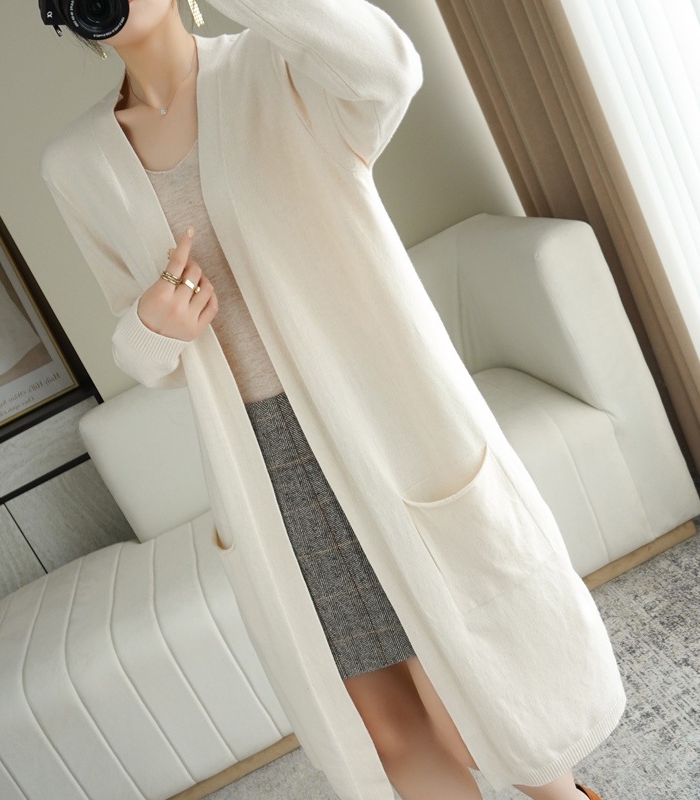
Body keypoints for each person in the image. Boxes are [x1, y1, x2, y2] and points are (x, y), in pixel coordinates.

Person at [40, 1, 625, 798]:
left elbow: (389, 69)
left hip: (383, 419)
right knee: (389, 726)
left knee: (478, 690)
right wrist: (153, 325)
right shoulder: (77, 163)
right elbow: (143, 349)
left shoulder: (280, 67)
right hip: (266, 462)